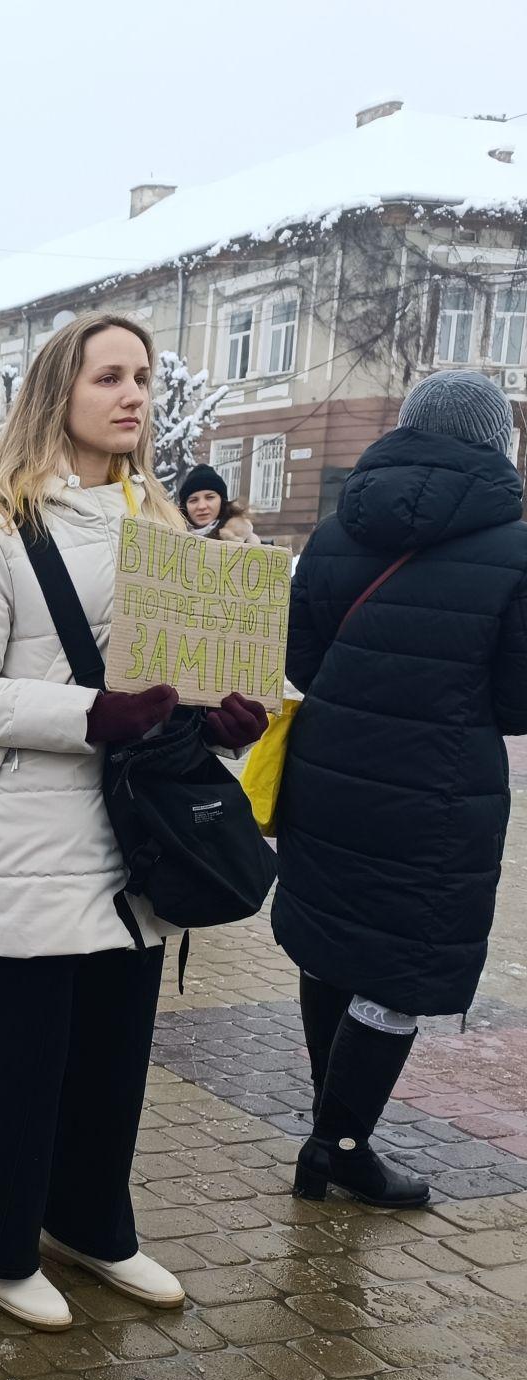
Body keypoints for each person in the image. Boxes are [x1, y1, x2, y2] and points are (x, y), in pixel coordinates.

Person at [0, 313, 268, 1333]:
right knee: (14, 1065)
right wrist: (89, 715)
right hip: (27, 845)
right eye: (107, 376)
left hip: (139, 841)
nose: (131, 395)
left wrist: (228, 724)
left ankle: (89, 1224)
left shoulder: (170, 537)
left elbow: (189, 701)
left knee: (113, 1056)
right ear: (55, 394)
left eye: (144, 378)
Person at [274, 371, 527, 1208]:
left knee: (332, 946)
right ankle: (339, 1145)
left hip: (328, 775)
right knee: (398, 971)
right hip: (438, 795)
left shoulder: (335, 529)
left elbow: (303, 661)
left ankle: (332, 1135)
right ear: (496, 445)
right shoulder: (513, 546)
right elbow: (517, 702)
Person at [176, 464, 259, 543]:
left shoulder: (247, 543)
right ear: (185, 506)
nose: (201, 506)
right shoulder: (171, 540)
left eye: (209, 498)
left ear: (222, 501)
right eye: (193, 500)